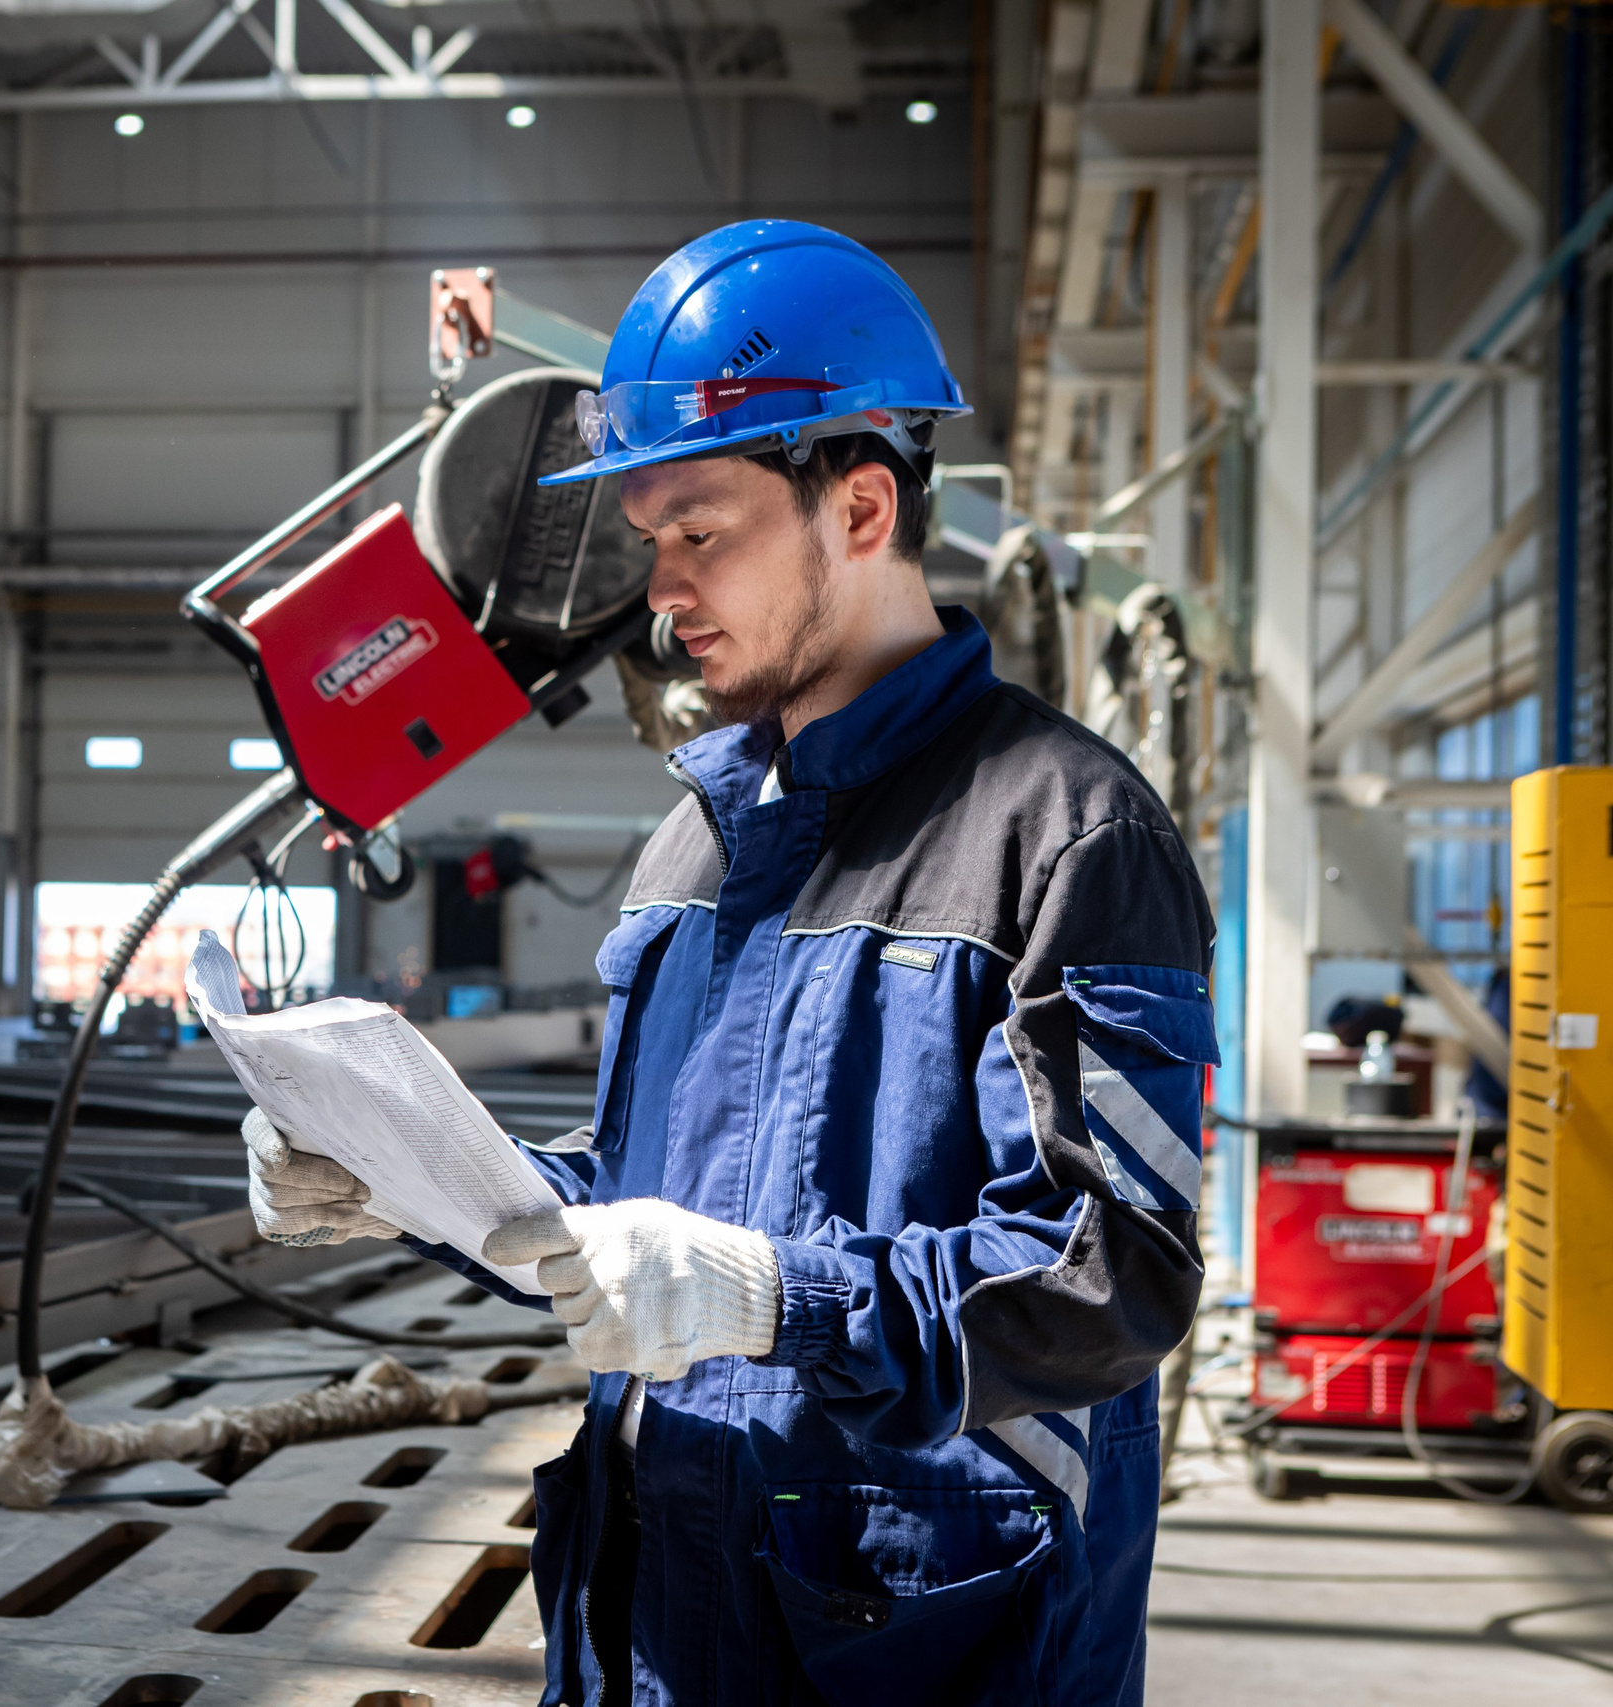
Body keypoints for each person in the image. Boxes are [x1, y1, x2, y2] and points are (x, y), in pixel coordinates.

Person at [239, 222, 1213, 1707]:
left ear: (862, 504)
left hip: (917, 1638)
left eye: (702, 528)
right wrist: (404, 1184)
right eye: (647, 537)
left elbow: (1112, 1275)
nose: (663, 586)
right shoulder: (699, 839)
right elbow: (650, 1220)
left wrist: (773, 1301)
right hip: (658, 1622)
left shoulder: (1068, 834)